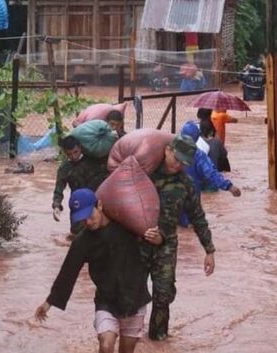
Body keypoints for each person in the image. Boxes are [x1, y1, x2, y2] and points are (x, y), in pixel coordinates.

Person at [35, 189, 163, 353]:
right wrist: (48, 304)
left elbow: (155, 239)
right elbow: (68, 273)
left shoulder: (127, 226)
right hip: (106, 302)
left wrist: (158, 238)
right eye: (83, 219)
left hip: (135, 299)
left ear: (100, 205)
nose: (88, 222)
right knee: (106, 344)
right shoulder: (82, 242)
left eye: (90, 215)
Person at [144, 135, 216, 341]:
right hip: (137, 241)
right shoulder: (145, 173)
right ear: (167, 150)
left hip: (166, 245)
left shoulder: (186, 184)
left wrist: (209, 250)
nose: (179, 165)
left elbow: (198, 217)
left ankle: (158, 340)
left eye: (184, 162)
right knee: (132, 294)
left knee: (163, 294)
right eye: (177, 159)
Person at [178, 122, 240, 227]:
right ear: (198, 137)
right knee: (189, 228)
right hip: (191, 199)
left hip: (170, 199)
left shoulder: (169, 149)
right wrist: (229, 186)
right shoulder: (198, 155)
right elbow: (211, 173)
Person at [52, 135, 109, 235]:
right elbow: (59, 190)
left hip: (95, 203)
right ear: (65, 153)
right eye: (69, 154)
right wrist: (57, 206)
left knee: (100, 231)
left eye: (76, 152)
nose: (73, 156)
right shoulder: (64, 169)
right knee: (77, 235)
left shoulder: (93, 161)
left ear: (80, 148)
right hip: (78, 205)